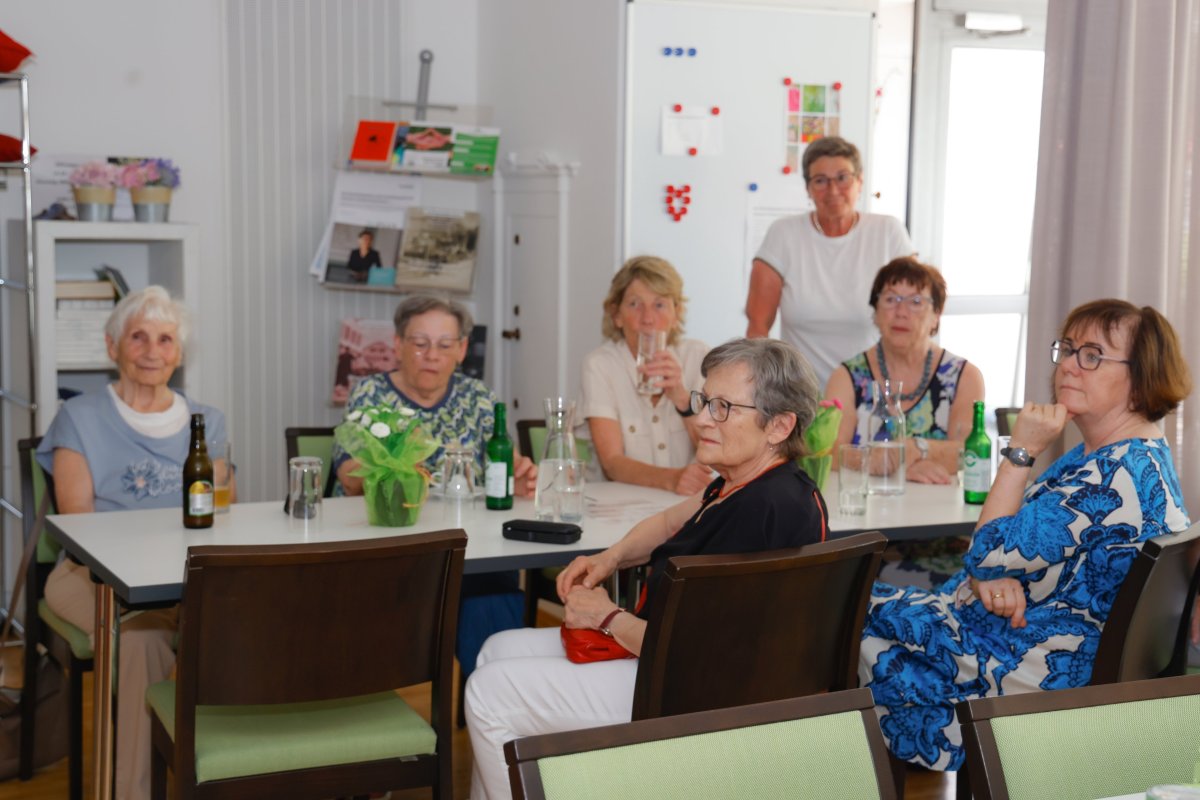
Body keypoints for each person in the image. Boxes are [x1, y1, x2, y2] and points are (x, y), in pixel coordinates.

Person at [466, 338, 830, 800]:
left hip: (699, 694)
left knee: (488, 693)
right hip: (676, 663)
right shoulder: (743, 485)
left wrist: (605, 616)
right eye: (704, 401)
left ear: (779, 425)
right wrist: (611, 557)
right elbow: (667, 522)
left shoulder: (764, 511)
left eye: (722, 407)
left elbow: (689, 649)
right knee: (496, 650)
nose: (701, 419)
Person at [859, 299, 1191, 772]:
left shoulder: (1110, 477)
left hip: (1029, 670)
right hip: (1023, 637)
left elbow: (986, 549)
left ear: (1141, 380)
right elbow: (1003, 543)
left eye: (1092, 356)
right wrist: (988, 576)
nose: (1069, 366)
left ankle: (827, 764)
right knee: (860, 609)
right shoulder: (1124, 455)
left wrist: (1021, 449)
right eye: (1068, 349)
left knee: (846, 612)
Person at [36, 286, 233, 800]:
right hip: (90, 577)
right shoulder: (78, 418)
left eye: (166, 339)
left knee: (255, 619)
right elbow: (80, 524)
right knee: (143, 640)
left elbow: (223, 514)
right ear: (112, 346)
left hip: (184, 580)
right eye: (138, 337)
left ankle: (246, 772)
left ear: (179, 353)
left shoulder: (207, 422)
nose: (152, 351)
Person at [332, 294, 537, 686]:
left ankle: (499, 705)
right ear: (398, 345)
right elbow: (350, 478)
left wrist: (521, 476)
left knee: (493, 599)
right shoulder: (371, 395)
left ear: (461, 349)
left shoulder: (478, 398)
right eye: (420, 343)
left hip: (470, 549)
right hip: (391, 549)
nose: (432, 355)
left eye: (445, 345)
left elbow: (507, 464)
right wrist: (396, 467)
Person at [745, 135, 915, 386]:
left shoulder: (888, 232)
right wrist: (760, 389)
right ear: (808, 188)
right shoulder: (783, 234)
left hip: (874, 389)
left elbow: (916, 314)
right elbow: (758, 327)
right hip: (801, 392)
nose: (833, 190)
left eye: (843, 177)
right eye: (820, 180)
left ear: (859, 181)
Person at [826, 257, 985, 485]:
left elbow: (972, 451)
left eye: (916, 301)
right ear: (875, 312)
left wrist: (914, 450)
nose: (901, 312)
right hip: (868, 503)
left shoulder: (964, 377)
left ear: (936, 315)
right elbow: (828, 451)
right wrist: (879, 461)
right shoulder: (847, 377)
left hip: (941, 503)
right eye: (891, 299)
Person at [580, 255, 711, 494]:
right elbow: (612, 463)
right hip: (619, 503)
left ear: (676, 313)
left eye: (659, 305)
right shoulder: (600, 365)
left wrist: (682, 399)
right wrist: (672, 479)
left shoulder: (698, 357)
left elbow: (716, 452)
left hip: (685, 502)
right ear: (617, 315)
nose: (648, 318)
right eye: (634, 304)